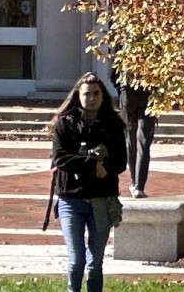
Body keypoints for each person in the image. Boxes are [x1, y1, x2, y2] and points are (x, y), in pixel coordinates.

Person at [48, 73, 128, 292]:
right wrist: (92, 164)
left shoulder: (113, 124)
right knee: (77, 261)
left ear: (103, 96)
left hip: (102, 200)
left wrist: (105, 166)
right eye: (86, 94)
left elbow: (121, 162)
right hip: (71, 201)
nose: (91, 98)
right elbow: (60, 159)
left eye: (96, 93)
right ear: (78, 96)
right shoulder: (65, 124)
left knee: (95, 264)